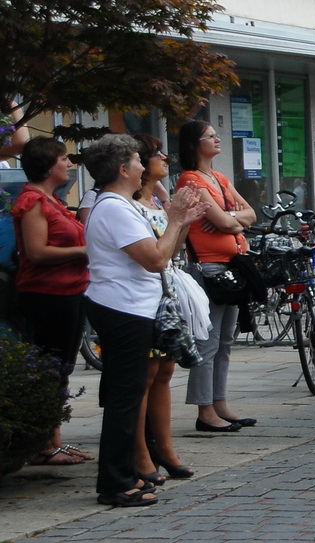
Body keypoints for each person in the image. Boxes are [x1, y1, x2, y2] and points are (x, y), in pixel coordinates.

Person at [81, 134, 209, 507]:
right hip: (122, 309)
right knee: (125, 397)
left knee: (131, 392)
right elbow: (154, 259)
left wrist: (180, 221)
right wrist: (174, 220)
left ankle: (125, 474)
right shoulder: (114, 209)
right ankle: (115, 482)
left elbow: (164, 251)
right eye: (138, 162)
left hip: (133, 307)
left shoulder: (123, 206)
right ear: (123, 169)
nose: (143, 167)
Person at [11, 137, 90, 466]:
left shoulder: (52, 200)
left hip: (69, 292)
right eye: (63, 158)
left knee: (61, 369)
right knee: (50, 368)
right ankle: (45, 445)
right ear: (47, 165)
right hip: (47, 294)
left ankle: (54, 440)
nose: (69, 164)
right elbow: (38, 252)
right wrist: (86, 251)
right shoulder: (32, 201)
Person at [175, 120, 256, 433]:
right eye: (210, 136)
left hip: (231, 265)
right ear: (196, 143)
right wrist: (230, 220)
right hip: (208, 267)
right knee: (207, 342)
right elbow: (222, 221)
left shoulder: (219, 178)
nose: (217, 138)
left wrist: (232, 220)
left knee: (225, 341)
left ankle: (219, 402)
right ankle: (204, 410)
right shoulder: (190, 180)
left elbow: (248, 213)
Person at [131, 136, 192, 484]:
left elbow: (172, 247)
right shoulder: (127, 203)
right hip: (142, 294)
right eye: (155, 154)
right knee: (146, 374)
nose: (163, 158)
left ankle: (165, 448)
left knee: (165, 372)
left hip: (166, 289)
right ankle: (141, 451)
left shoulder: (157, 198)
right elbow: (153, 251)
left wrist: (182, 220)